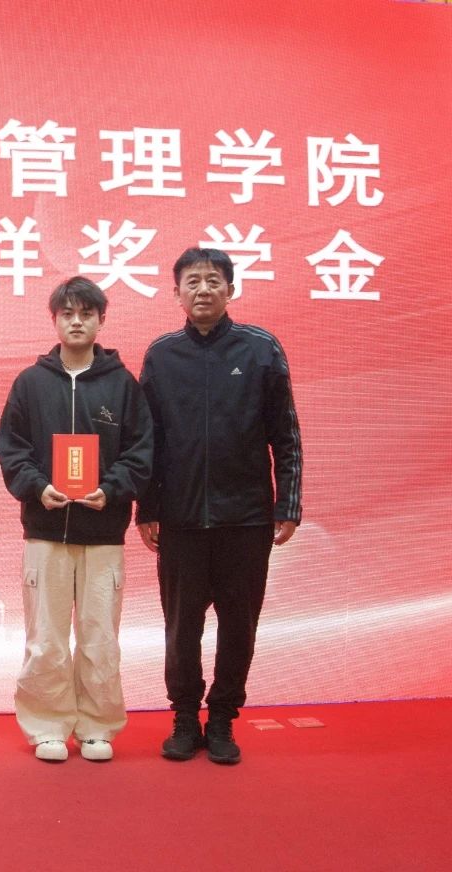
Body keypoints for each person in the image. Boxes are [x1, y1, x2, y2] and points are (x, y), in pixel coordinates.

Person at [137, 248, 303, 765]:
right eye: (192, 281)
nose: (203, 289)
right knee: (180, 627)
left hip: (246, 518)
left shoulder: (260, 349)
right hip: (182, 519)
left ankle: (224, 719)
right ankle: (186, 718)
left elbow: (286, 435)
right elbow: (148, 441)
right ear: (176, 293)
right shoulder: (162, 356)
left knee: (239, 626)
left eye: (213, 280)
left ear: (231, 289)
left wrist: (288, 503)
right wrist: (146, 509)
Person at [0, 277, 152, 763]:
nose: (77, 321)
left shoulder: (123, 385)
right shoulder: (30, 383)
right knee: (45, 637)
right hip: (45, 531)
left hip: (103, 534)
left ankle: (97, 726)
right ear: (55, 320)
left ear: (101, 321)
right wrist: (37, 487)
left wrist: (112, 489)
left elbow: (141, 451)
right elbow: (13, 449)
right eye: (67, 313)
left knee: (99, 636)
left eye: (86, 313)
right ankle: (46, 725)